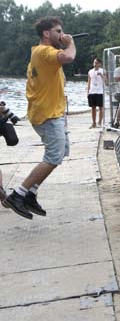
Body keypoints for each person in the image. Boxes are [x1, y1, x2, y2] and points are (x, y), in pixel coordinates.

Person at [3, 17, 76, 219]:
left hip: (53, 113)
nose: (62, 34)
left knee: (61, 153)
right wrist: (70, 43)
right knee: (53, 156)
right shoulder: (45, 52)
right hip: (47, 115)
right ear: (46, 33)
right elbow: (69, 57)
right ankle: (18, 194)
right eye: (58, 31)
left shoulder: (41, 54)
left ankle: (31, 193)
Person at [87, 58, 105, 128]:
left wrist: (101, 75)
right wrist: (87, 92)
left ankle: (99, 122)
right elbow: (89, 82)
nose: (95, 64)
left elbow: (106, 81)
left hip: (100, 91)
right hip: (92, 91)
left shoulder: (103, 71)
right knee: (93, 107)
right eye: (94, 62)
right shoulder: (90, 71)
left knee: (101, 107)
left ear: (99, 64)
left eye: (97, 63)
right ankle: (93, 123)